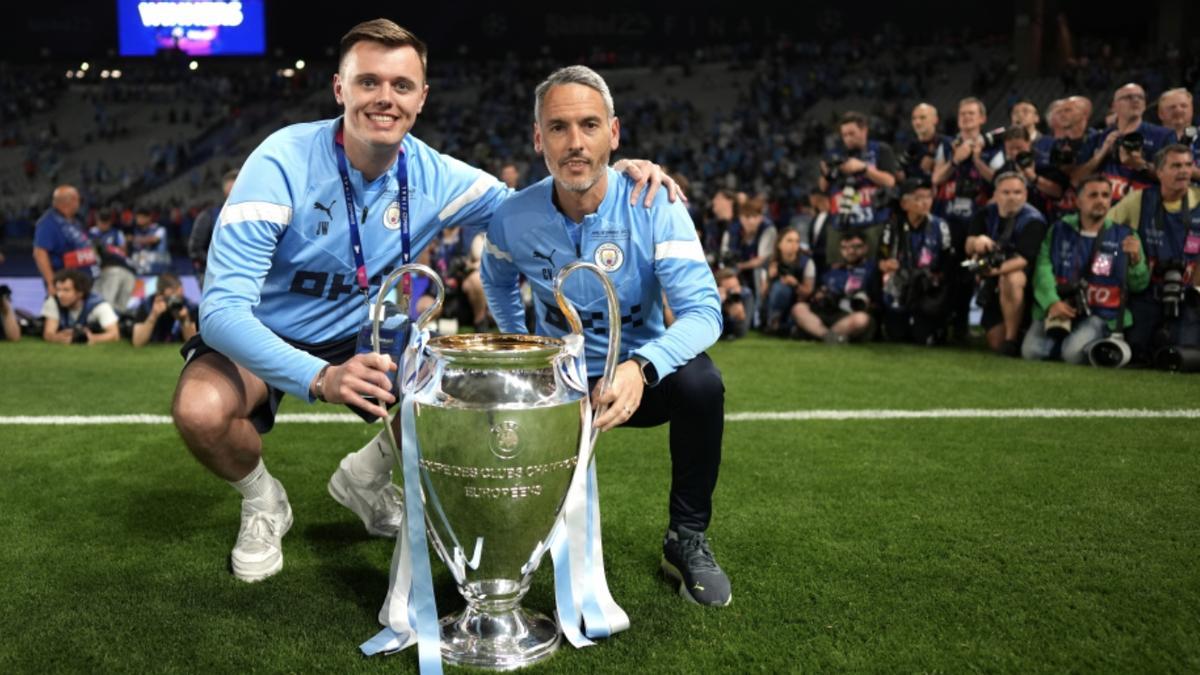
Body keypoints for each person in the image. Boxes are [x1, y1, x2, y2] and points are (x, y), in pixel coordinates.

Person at [170, 19, 680, 584]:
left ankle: (363, 478)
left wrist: (614, 177)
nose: (384, 99)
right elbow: (219, 312)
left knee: (461, 383)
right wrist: (321, 378)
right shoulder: (281, 161)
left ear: (421, 98)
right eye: (368, 82)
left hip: (369, 333)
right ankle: (264, 500)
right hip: (267, 329)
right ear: (340, 89)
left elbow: (533, 210)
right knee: (200, 411)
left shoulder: (438, 175)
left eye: (401, 85)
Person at [481, 65, 730, 607]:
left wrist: (642, 365)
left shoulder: (654, 202)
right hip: (559, 381)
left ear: (614, 134)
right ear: (537, 138)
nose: (575, 143)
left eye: (590, 125)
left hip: (635, 376)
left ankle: (686, 538)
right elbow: (496, 281)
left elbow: (706, 312)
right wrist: (522, 347)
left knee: (701, 383)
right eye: (559, 127)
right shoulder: (511, 217)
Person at [1023, 175, 1148, 364]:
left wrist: (1136, 261)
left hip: (1102, 314)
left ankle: (1095, 344)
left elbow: (1139, 285)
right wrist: (1051, 302)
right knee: (1032, 353)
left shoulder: (1126, 236)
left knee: (1072, 355)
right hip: (1059, 307)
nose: (1100, 200)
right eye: (1093, 195)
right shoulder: (1059, 230)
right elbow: (1042, 269)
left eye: (1105, 195)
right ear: (1078, 201)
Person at [964, 171, 1047, 355]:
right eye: (1006, 192)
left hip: (1027, 283)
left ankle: (1011, 339)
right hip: (992, 281)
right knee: (994, 341)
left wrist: (991, 271)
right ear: (995, 195)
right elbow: (968, 246)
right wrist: (978, 241)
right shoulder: (985, 214)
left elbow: (1023, 260)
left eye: (1017, 192)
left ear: (1025, 195)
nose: (1012, 197)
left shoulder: (1034, 220)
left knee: (1011, 277)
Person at [33, 184, 97, 294]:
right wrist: (51, 282)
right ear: (70, 201)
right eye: (77, 199)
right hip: (65, 283)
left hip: (82, 278)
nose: (79, 203)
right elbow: (40, 253)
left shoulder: (74, 220)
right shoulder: (48, 223)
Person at [188, 169, 239, 290]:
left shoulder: (254, 216)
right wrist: (220, 264)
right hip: (218, 282)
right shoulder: (208, 216)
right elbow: (194, 250)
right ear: (226, 190)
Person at [41, 269, 120, 345]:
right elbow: (48, 334)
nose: (60, 295)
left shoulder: (99, 305)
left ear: (80, 293)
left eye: (66, 290)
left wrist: (92, 338)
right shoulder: (53, 301)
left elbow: (114, 334)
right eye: (58, 290)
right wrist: (59, 338)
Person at [131, 272, 199, 347]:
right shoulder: (148, 305)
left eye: (178, 297)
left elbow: (194, 343)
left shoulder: (188, 306)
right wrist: (153, 316)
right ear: (160, 294)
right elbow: (137, 342)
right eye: (171, 296)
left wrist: (185, 320)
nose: (174, 300)